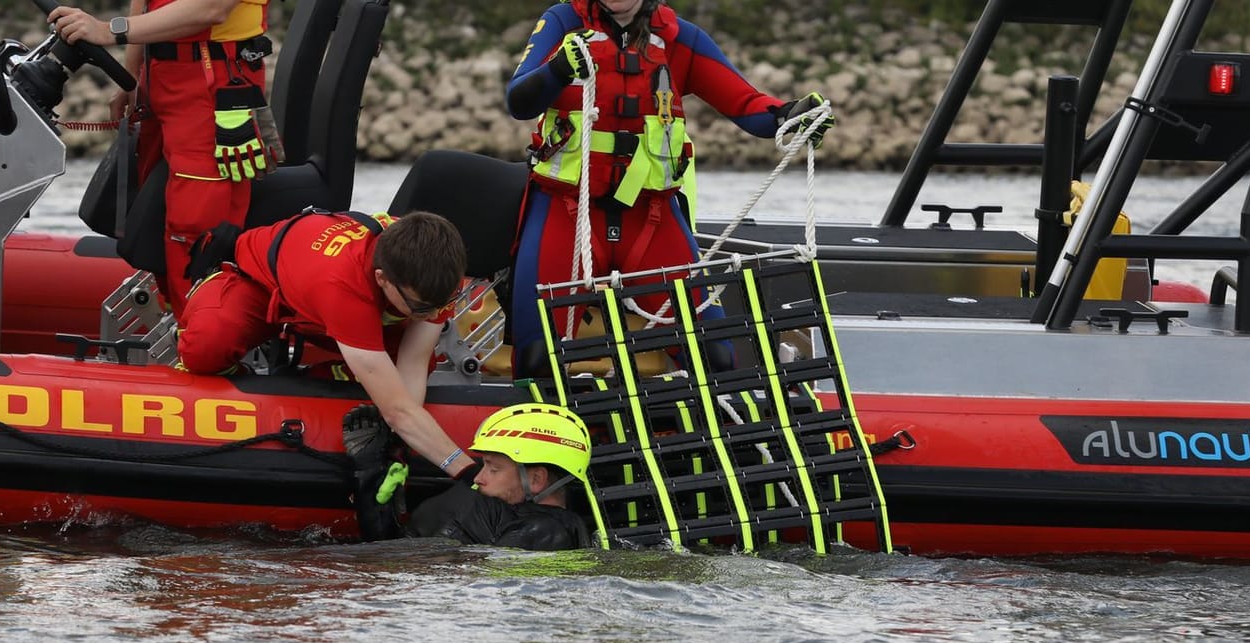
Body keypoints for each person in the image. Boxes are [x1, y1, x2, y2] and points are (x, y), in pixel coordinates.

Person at [503, 0, 833, 368]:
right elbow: (519, 101)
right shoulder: (562, 22)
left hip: (652, 220)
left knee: (715, 358)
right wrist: (559, 69)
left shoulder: (681, 39)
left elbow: (749, 107)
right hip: (565, 212)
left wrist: (793, 115)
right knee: (536, 357)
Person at [178, 208, 479, 486]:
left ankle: (315, 381)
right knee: (206, 346)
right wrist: (468, 473)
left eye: (443, 305)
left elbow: (412, 366)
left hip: (330, 305)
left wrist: (397, 444)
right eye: (420, 307)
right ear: (382, 279)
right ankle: (249, 382)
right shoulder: (345, 285)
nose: (431, 315)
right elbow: (399, 410)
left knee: (403, 374)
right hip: (262, 285)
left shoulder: (434, 276)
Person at [47, 0, 278, 319]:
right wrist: (130, 77)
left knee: (196, 228)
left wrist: (107, 30)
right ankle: (177, 324)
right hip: (159, 80)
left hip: (215, 83)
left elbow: (211, 9)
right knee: (154, 214)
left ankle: (201, 341)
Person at [347, 403, 594, 550]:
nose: (478, 478)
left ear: (537, 479)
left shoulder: (545, 533)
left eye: (493, 469)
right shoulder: (503, 514)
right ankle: (370, 484)